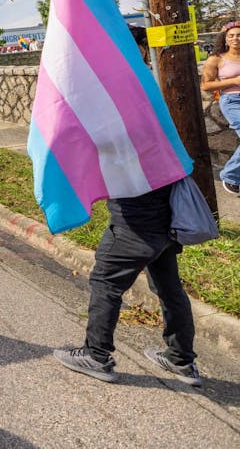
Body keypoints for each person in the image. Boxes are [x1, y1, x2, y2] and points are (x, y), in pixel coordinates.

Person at [54, 26, 201, 386]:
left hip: (138, 212)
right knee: (169, 287)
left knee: (106, 280)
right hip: (165, 208)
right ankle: (181, 360)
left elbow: (105, 139)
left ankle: (96, 355)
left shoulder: (125, 93)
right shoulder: (145, 88)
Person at [201, 20, 240, 194]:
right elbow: (206, 85)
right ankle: (230, 176)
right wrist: (233, 81)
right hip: (232, 101)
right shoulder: (216, 58)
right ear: (225, 39)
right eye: (231, 35)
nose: (235, 39)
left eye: (239, 35)